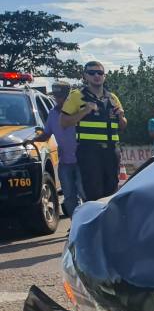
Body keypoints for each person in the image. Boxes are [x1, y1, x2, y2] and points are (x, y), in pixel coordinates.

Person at [60, 61, 126, 200]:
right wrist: (85, 110)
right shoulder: (77, 96)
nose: (96, 75)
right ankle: (95, 221)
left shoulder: (112, 98)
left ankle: (109, 221)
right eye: (92, 72)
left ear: (104, 76)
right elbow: (64, 122)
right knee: (94, 194)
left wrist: (121, 116)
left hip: (111, 152)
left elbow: (122, 127)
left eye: (100, 73)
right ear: (85, 76)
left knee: (112, 193)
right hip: (89, 151)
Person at [38, 82, 85, 217]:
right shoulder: (52, 113)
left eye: (62, 96)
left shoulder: (78, 111)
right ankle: (76, 224)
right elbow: (47, 134)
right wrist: (32, 139)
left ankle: (90, 224)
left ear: (69, 96)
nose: (59, 99)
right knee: (69, 197)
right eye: (56, 96)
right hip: (65, 162)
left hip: (82, 160)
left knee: (85, 194)